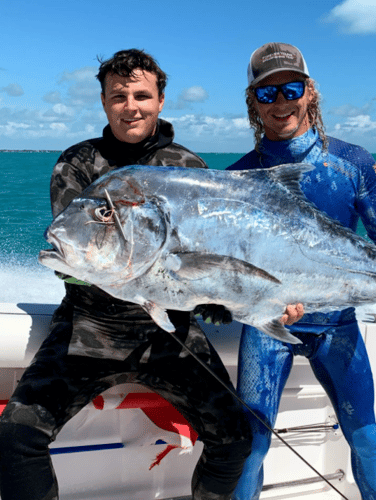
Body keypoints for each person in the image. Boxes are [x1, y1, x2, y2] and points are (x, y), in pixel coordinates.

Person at [0, 49, 251, 500]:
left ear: (159, 101)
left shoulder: (189, 169)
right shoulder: (77, 164)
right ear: (103, 101)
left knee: (235, 440)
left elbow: (212, 251)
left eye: (141, 95)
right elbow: (80, 257)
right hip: (89, 328)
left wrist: (214, 294)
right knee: (15, 439)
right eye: (119, 96)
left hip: (169, 334)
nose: (130, 105)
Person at [227, 42, 376, 500]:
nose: (280, 103)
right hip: (269, 324)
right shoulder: (239, 178)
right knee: (250, 445)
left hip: (338, 323)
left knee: (365, 433)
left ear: (309, 91)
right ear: (253, 102)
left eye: (290, 88)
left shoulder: (352, 163)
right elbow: (234, 262)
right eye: (266, 94)